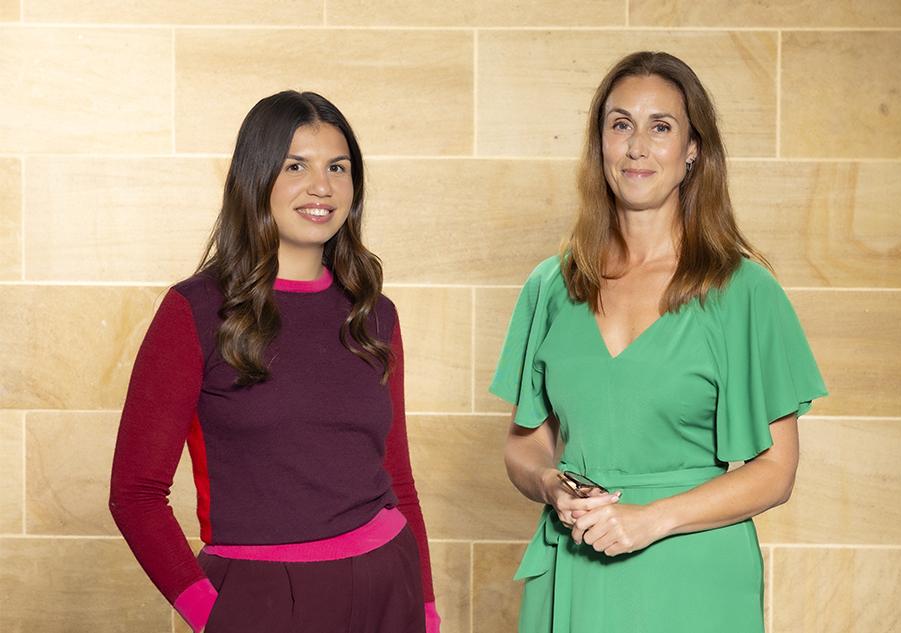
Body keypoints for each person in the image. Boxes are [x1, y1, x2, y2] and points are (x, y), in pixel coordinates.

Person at [491, 51, 827, 632]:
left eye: (661, 127)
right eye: (620, 124)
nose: (637, 147)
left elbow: (777, 470)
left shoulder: (744, 292)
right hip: (576, 563)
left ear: (693, 150)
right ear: (600, 144)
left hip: (693, 575)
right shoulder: (551, 286)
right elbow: (524, 445)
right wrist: (551, 485)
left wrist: (653, 520)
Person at [110, 91, 440, 633]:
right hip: (261, 597)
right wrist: (212, 613)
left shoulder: (374, 314)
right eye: (296, 166)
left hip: (387, 585)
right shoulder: (194, 312)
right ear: (256, 177)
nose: (322, 186)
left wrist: (423, 611)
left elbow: (398, 479)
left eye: (338, 167)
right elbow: (135, 492)